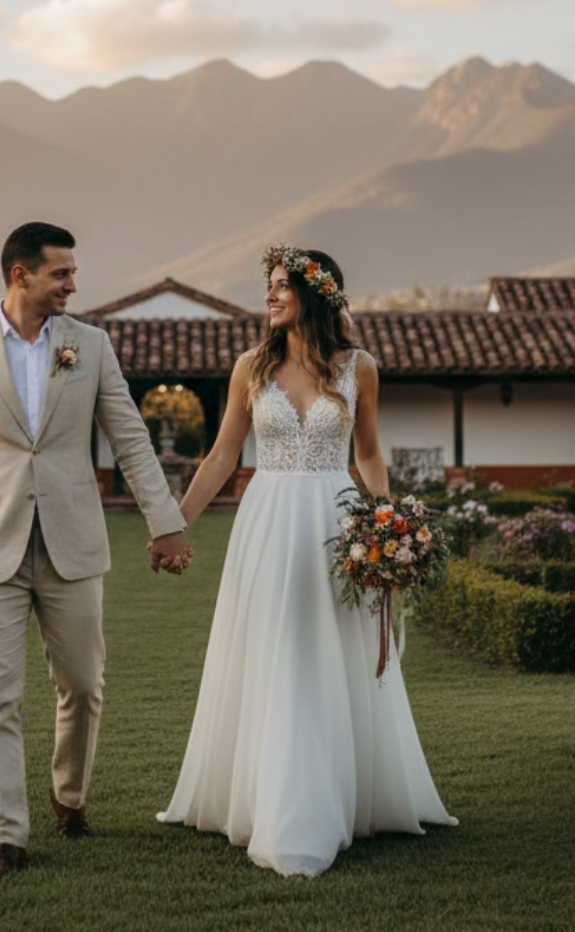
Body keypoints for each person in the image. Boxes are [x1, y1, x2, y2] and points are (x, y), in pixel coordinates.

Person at [153, 245, 457, 877]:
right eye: (268, 286)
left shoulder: (359, 368)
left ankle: (331, 795)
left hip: (335, 520)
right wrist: (173, 523)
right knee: (276, 646)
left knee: (328, 648)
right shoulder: (250, 367)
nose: (269, 296)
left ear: (315, 294)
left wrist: (387, 523)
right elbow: (222, 456)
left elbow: (368, 453)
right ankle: (270, 796)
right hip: (266, 520)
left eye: (281, 286)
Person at [0, 221, 194, 880]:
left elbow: (130, 437)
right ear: (21, 274)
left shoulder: (90, 346)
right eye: (61, 273)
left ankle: (70, 796)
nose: (72, 285)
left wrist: (166, 522)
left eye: (72, 273)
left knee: (83, 686)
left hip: (73, 543)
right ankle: (7, 837)